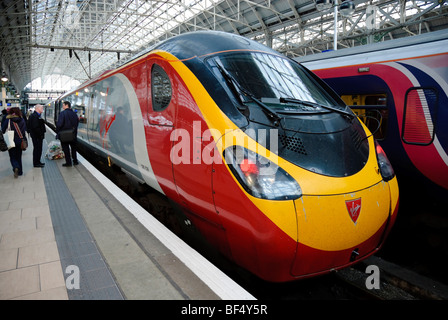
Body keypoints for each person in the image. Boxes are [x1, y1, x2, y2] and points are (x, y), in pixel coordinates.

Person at [1, 107, 27, 178]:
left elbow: (2, 130)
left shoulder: (8, 120)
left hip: (10, 140)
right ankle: (20, 172)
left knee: (12, 156)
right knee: (19, 156)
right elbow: (24, 131)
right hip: (20, 140)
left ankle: (15, 167)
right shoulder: (22, 120)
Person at [56, 101, 79, 167]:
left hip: (64, 135)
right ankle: (75, 161)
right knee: (73, 149)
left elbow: (59, 124)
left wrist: (58, 132)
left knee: (66, 149)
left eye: (63, 105)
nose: (62, 106)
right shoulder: (74, 114)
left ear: (66, 105)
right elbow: (77, 123)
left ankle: (68, 162)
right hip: (73, 134)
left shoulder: (62, 113)